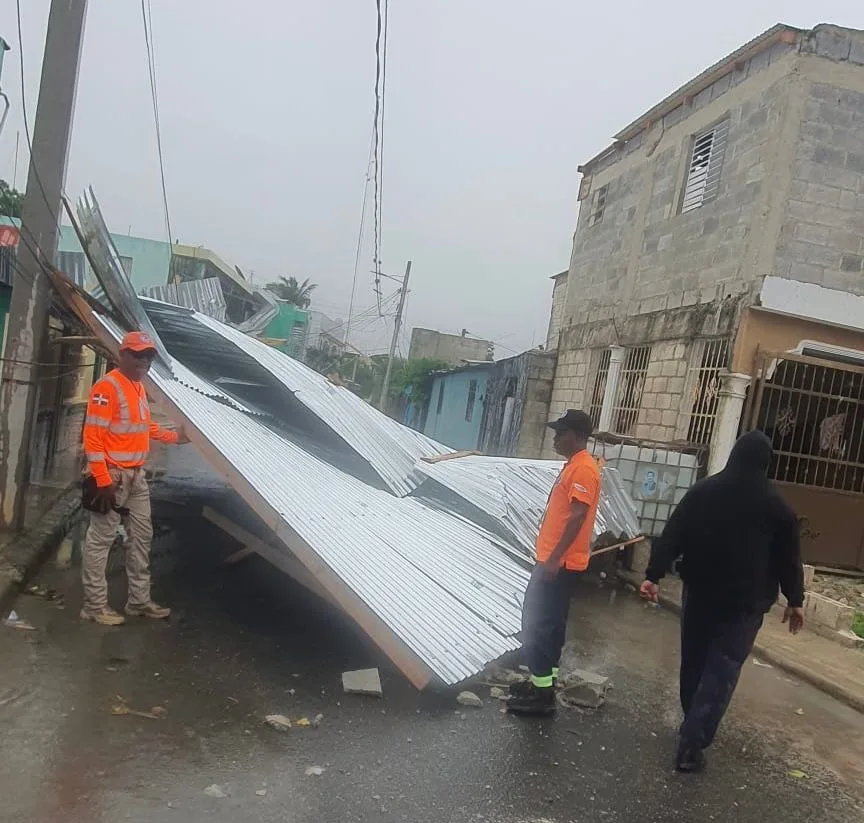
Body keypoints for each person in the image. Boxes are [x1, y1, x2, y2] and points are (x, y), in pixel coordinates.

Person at [639, 430, 805, 773]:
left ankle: (692, 723)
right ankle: (693, 739)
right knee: (723, 668)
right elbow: (789, 559)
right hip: (745, 603)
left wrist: (652, 575)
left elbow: (673, 533)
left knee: (695, 662)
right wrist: (795, 599)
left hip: (699, 592)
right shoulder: (777, 507)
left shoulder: (703, 492)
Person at [80, 331, 189, 626]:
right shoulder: (108, 387)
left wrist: (175, 438)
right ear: (123, 354)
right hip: (112, 478)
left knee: (142, 537)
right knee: (100, 541)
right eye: (138, 355)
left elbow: (144, 426)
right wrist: (102, 480)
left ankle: (139, 601)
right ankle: (94, 605)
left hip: (135, 477)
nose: (144, 361)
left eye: (148, 356)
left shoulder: (137, 387)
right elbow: (93, 438)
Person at [508, 409, 600, 717]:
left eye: (561, 433)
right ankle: (541, 683)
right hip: (557, 562)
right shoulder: (574, 465)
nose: (556, 437)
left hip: (557, 564)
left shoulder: (584, 468)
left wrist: (554, 559)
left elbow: (577, 516)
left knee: (537, 624)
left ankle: (542, 696)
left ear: (577, 436)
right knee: (549, 625)